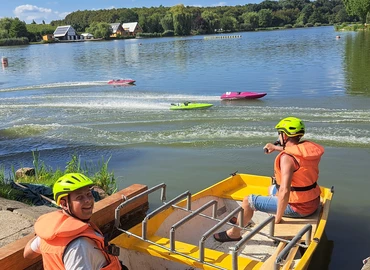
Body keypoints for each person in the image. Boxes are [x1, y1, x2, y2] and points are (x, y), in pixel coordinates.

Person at [213, 117, 324, 242]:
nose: (278, 137)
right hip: (313, 202)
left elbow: (285, 191)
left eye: (279, 134)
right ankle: (243, 218)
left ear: (285, 136)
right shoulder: (307, 150)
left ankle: (234, 233)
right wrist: (275, 148)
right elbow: (294, 151)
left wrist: (278, 218)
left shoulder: (287, 158)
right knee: (271, 189)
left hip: (298, 208)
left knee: (248, 201)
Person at [23, 173, 123, 269]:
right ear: (64, 204)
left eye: (89, 194)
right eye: (80, 197)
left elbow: (28, 253)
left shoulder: (52, 232)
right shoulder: (79, 247)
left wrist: (42, 232)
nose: (88, 200)